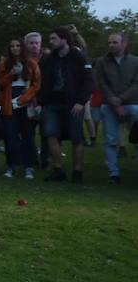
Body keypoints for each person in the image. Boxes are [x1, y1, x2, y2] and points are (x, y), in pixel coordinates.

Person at [39, 28, 93, 182]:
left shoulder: (78, 57)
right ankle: (58, 169)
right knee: (50, 134)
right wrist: (41, 101)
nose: (51, 41)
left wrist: (81, 102)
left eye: (54, 38)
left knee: (77, 137)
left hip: (73, 103)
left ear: (64, 40)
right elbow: (43, 81)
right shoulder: (49, 59)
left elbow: (88, 80)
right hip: (52, 102)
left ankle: (77, 171)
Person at [0, 37, 40, 179]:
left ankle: (29, 167)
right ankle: (11, 166)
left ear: (22, 47)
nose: (15, 48)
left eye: (18, 45)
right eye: (12, 45)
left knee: (28, 136)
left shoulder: (31, 63)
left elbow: (36, 84)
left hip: (25, 102)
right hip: (8, 102)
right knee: (10, 136)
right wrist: (11, 74)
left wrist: (23, 99)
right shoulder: (4, 63)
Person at [96, 33, 138, 184]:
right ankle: (113, 172)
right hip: (109, 104)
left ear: (124, 43)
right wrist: (113, 101)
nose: (111, 45)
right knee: (110, 139)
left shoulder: (135, 61)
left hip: (132, 103)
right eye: (109, 42)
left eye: (115, 42)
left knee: (136, 137)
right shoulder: (102, 62)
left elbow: (136, 83)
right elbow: (101, 82)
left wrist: (122, 99)